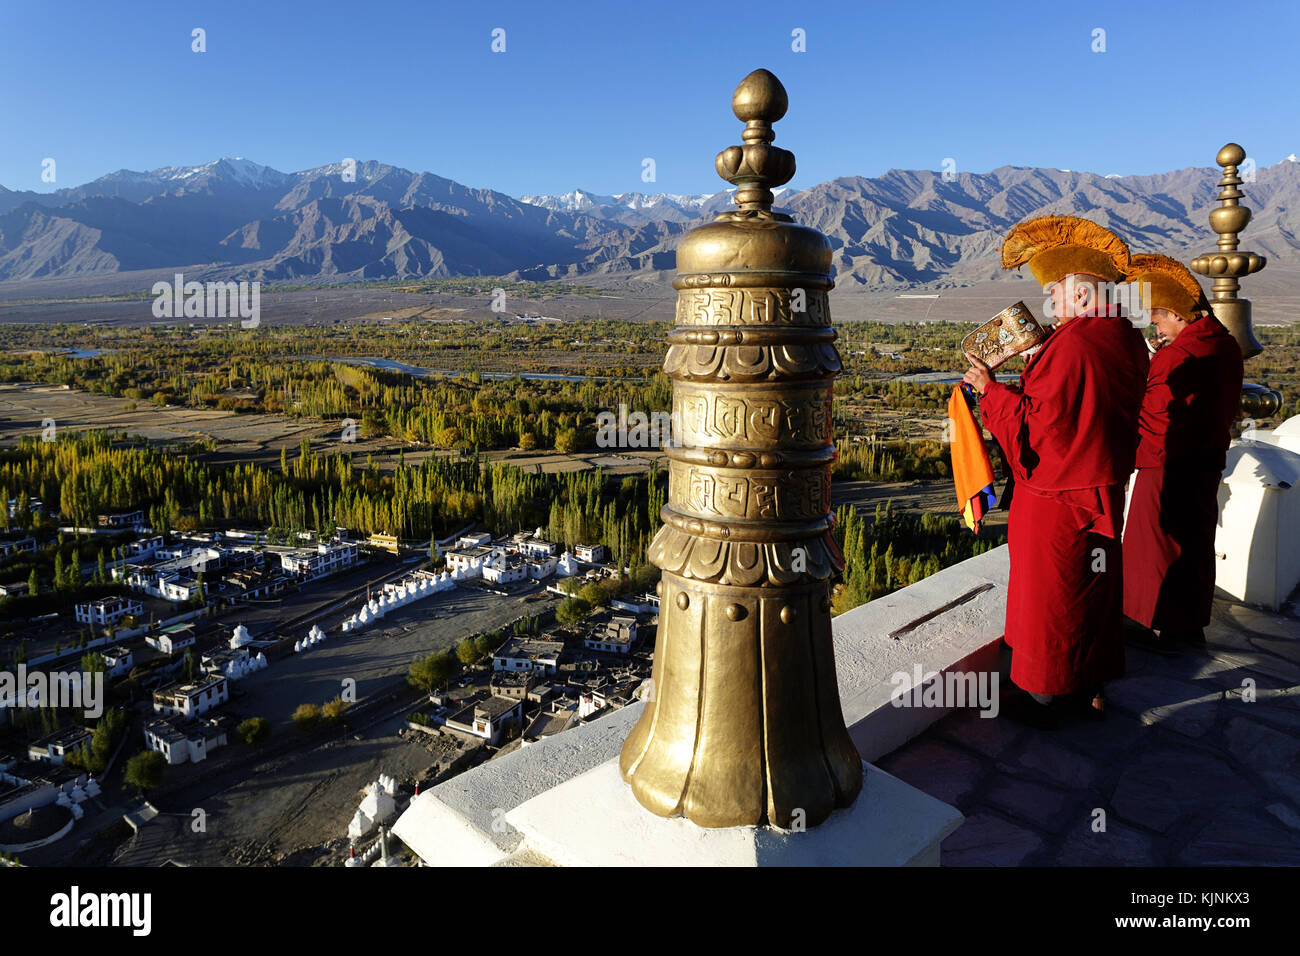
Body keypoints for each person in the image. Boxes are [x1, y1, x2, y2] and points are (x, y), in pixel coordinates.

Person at [962, 215, 1148, 727]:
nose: (1051, 305)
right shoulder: (1123, 336)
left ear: (1083, 296)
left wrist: (991, 391)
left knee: (1055, 595)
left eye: (1056, 294)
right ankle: (1090, 686)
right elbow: (1083, 405)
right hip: (1102, 484)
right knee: (1093, 589)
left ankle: (1046, 697)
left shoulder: (1076, 344)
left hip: (1058, 495)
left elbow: (1041, 428)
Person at [1122, 253, 1243, 645]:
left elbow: (1154, 418)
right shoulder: (1224, 344)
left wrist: (1130, 456)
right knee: (1194, 542)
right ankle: (1190, 626)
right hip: (1207, 460)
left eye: (1159, 317)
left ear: (1177, 314)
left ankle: (1152, 623)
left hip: (1166, 464)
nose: (1156, 324)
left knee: (1154, 547)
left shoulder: (1179, 355)